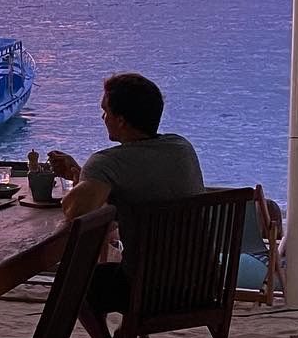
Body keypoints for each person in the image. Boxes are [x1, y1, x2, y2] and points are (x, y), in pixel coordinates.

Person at [47, 72, 204, 317]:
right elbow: (141, 181)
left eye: (106, 111)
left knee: (73, 281)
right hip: (202, 283)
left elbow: (75, 210)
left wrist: (86, 172)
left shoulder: (107, 163)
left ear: (120, 120)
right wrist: (81, 175)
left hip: (147, 288)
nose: (103, 117)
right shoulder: (182, 148)